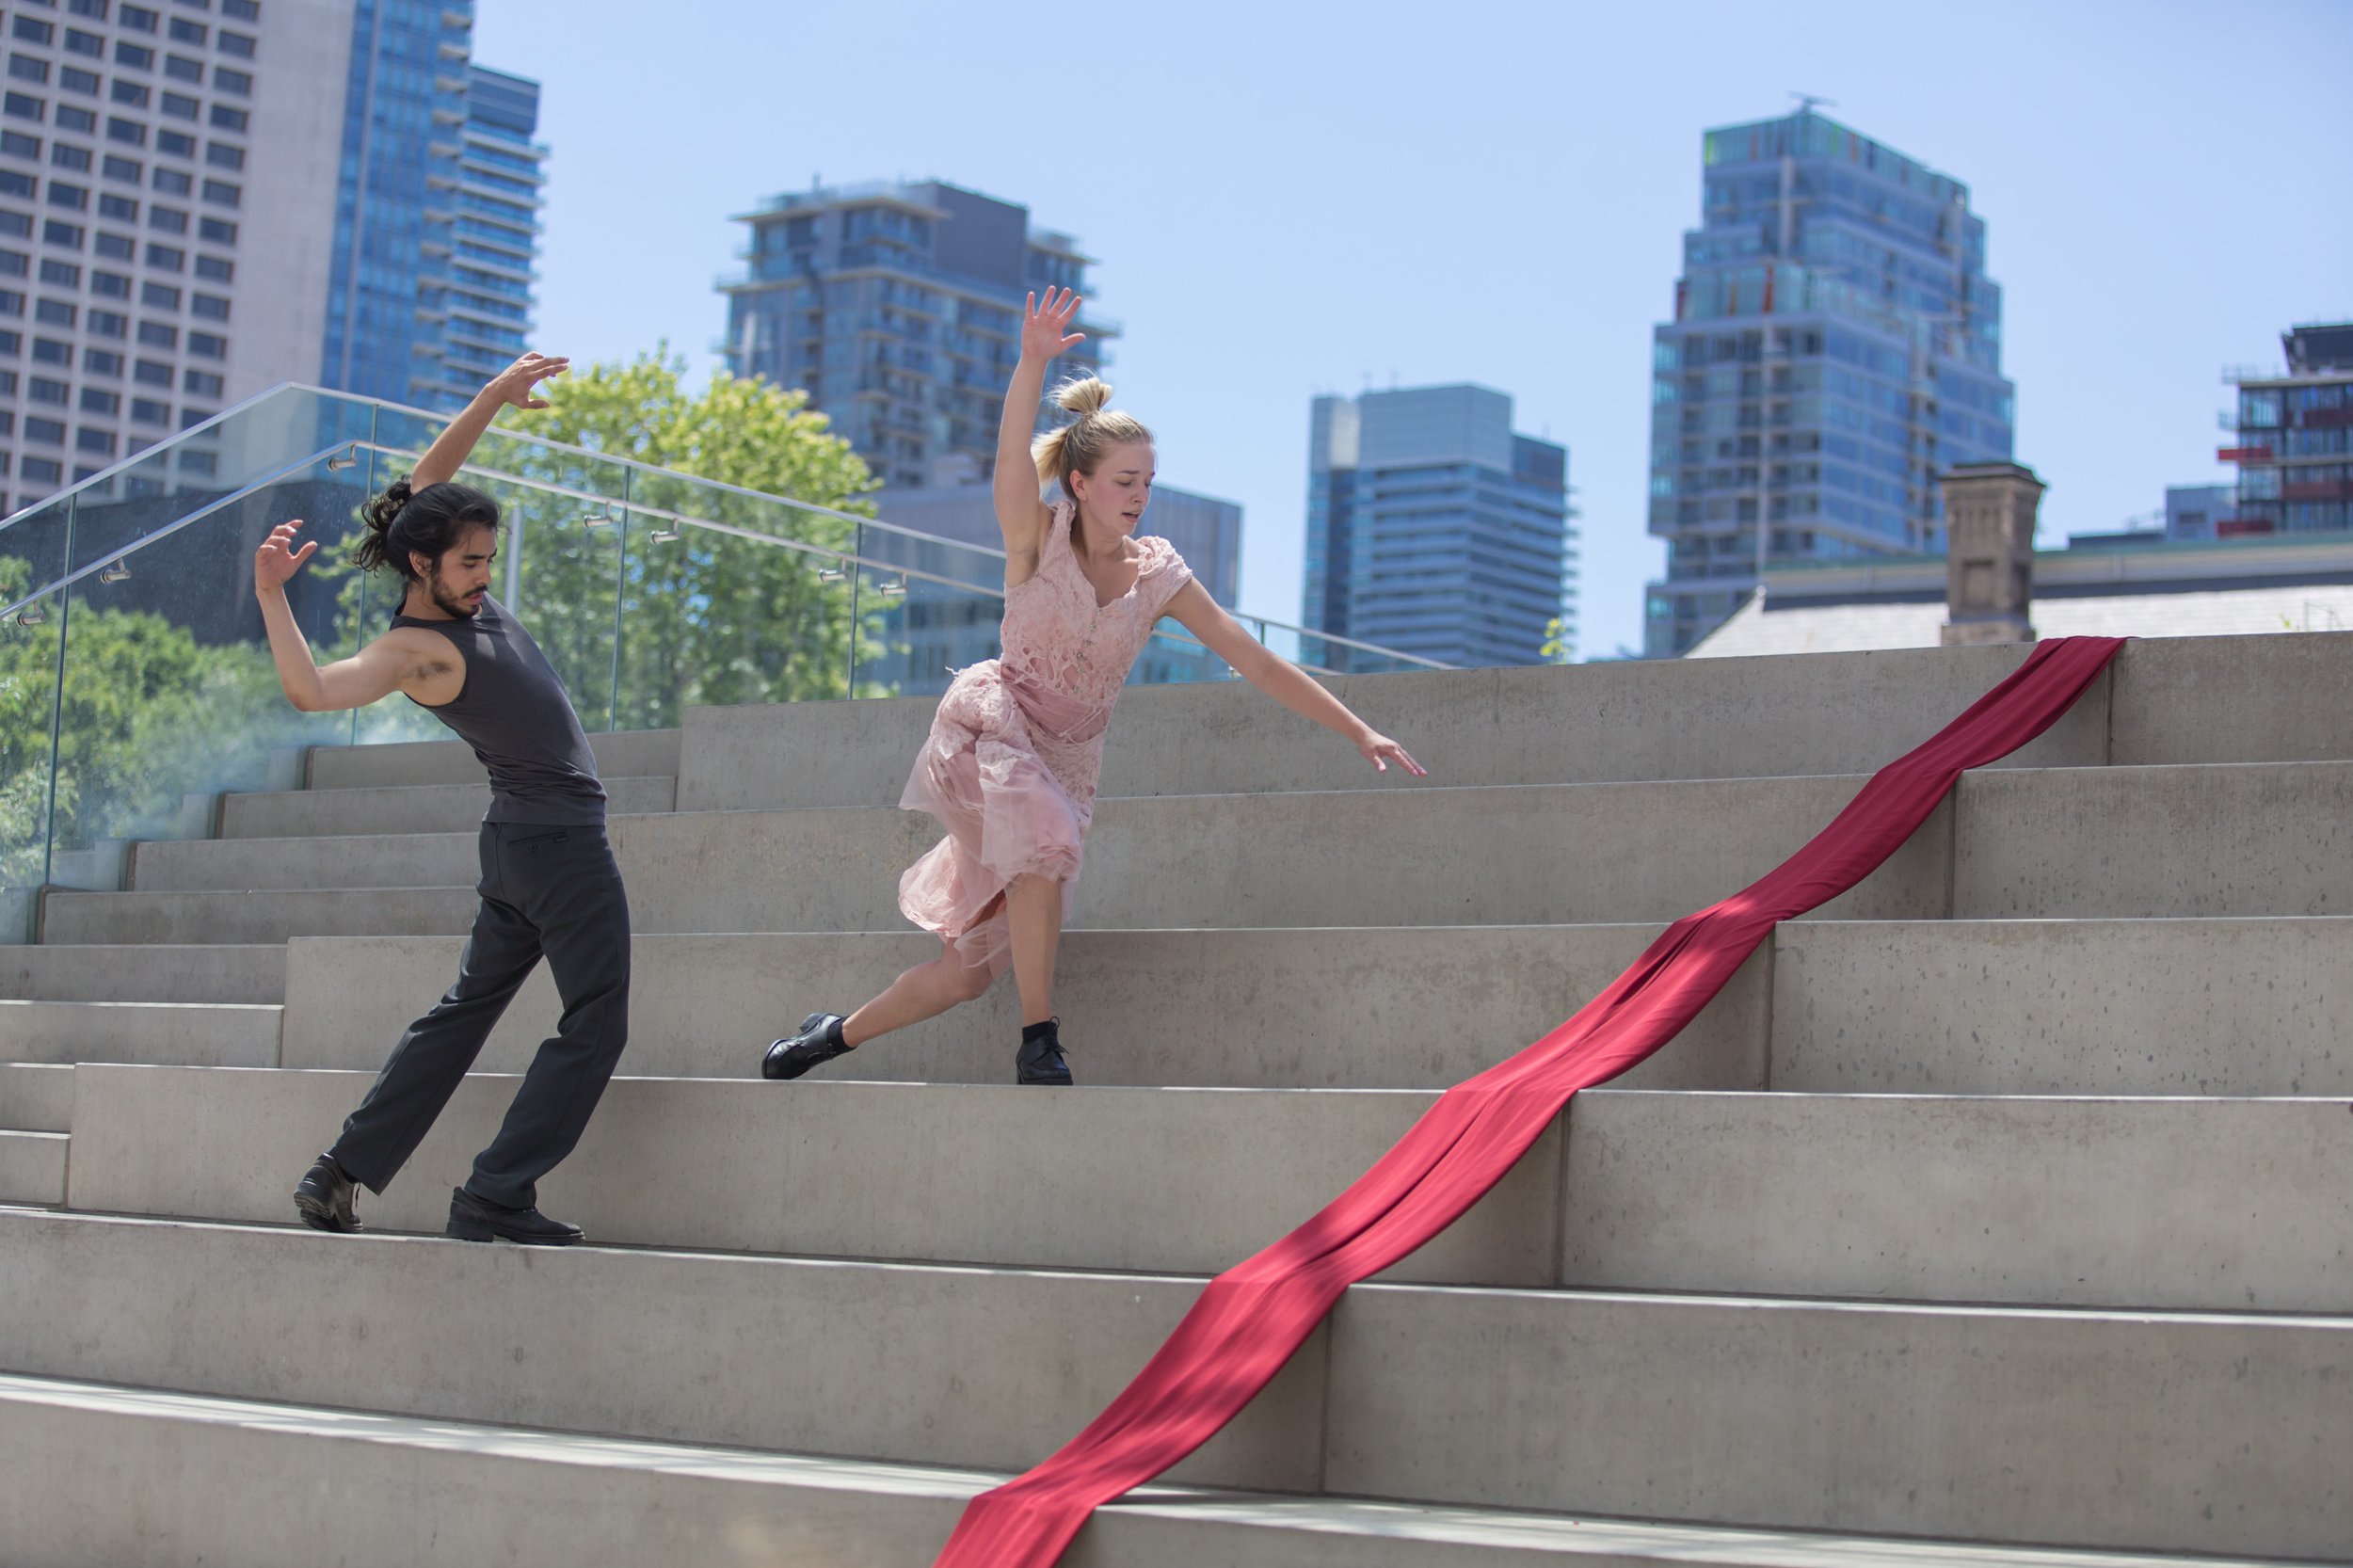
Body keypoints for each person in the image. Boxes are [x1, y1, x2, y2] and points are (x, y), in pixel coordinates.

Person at [763, 290, 1423, 1088]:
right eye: (1123, 480)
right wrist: (1032, 360)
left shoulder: (1160, 576)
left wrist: (1356, 728)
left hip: (1068, 767)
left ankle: (828, 1037)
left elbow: (1253, 660)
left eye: (1148, 481)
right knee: (1041, 840)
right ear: (1079, 483)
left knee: (969, 969)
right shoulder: (1033, 539)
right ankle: (1040, 1040)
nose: (1139, 494)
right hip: (990, 730)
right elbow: (1009, 462)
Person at [260, 351, 631, 1246]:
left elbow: (429, 483)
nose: (483, 573)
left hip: (518, 847)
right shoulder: (416, 648)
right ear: (422, 565)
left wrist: (492, 399)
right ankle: (496, 1192)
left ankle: (340, 1172)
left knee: (460, 1017)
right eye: (469, 562)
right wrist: (274, 595)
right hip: (557, 846)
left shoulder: (457, 588)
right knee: (597, 1024)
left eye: (488, 558)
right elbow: (312, 691)